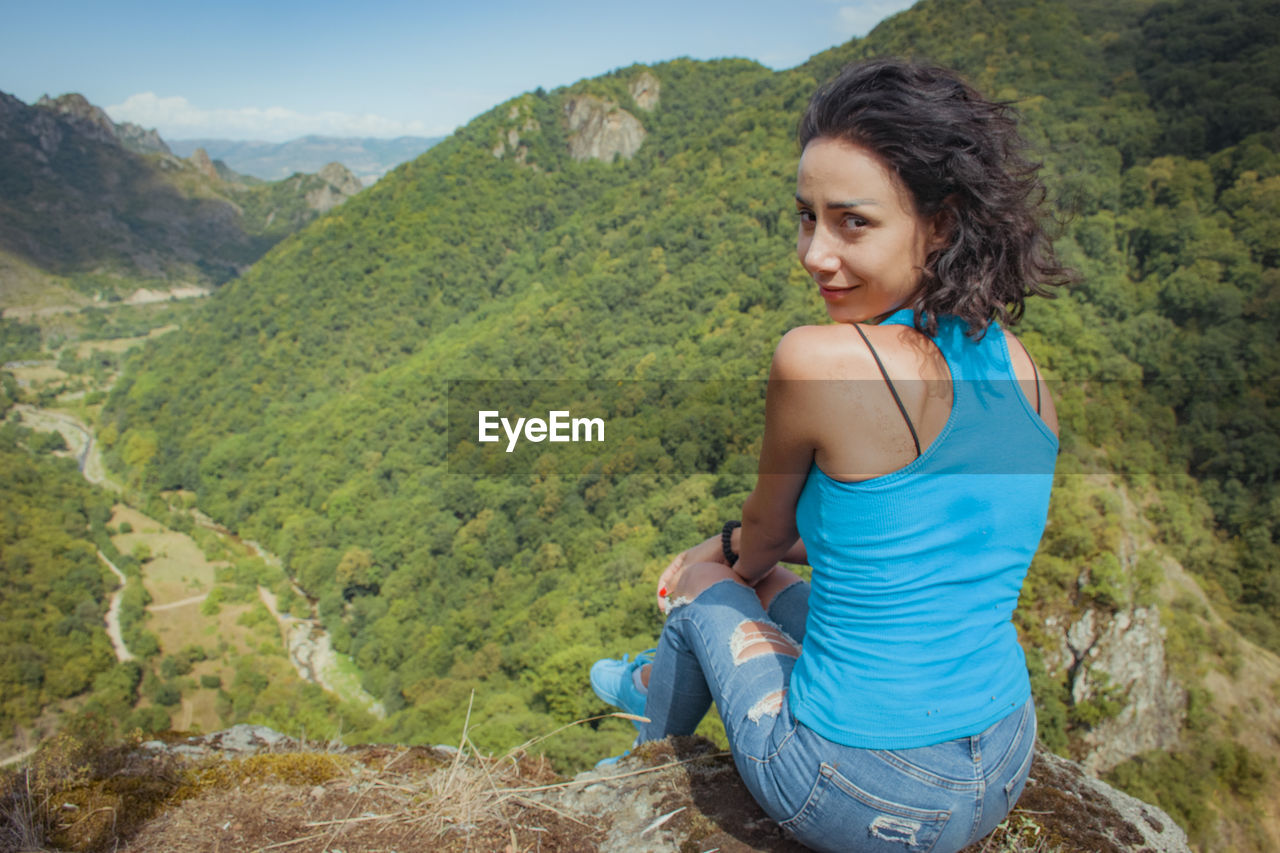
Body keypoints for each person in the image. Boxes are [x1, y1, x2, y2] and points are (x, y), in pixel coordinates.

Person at [590, 58, 1069, 853]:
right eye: (806, 218)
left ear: (941, 224)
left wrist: (712, 557)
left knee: (706, 589)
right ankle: (649, 673)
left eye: (852, 222)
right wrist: (751, 555)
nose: (815, 253)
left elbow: (762, 539)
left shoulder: (820, 359)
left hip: (862, 793)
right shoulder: (1018, 366)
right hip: (1002, 756)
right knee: (761, 577)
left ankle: (643, 742)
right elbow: (914, 534)